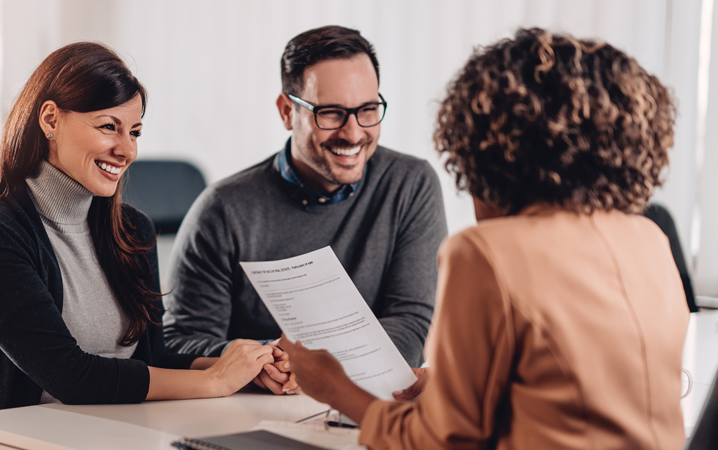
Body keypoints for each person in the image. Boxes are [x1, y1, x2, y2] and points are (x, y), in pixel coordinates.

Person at [281, 28, 688, 449]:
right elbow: (580, 384)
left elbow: (437, 443)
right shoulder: (649, 239)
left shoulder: (486, 254)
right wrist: (455, 384)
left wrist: (333, 387)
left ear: (487, 144)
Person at [0, 42, 276, 450]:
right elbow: (69, 375)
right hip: (0, 442)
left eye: (135, 132)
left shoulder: (134, 231)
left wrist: (244, 365)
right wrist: (214, 381)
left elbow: (152, 361)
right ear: (51, 118)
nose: (127, 149)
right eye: (109, 126)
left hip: (101, 434)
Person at [164, 25, 448, 394]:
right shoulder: (222, 209)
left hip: (363, 403)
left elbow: (412, 322)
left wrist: (317, 364)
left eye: (367, 109)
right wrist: (263, 360)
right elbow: (180, 340)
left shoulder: (411, 185)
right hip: (252, 411)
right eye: (331, 113)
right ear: (286, 112)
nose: (353, 132)